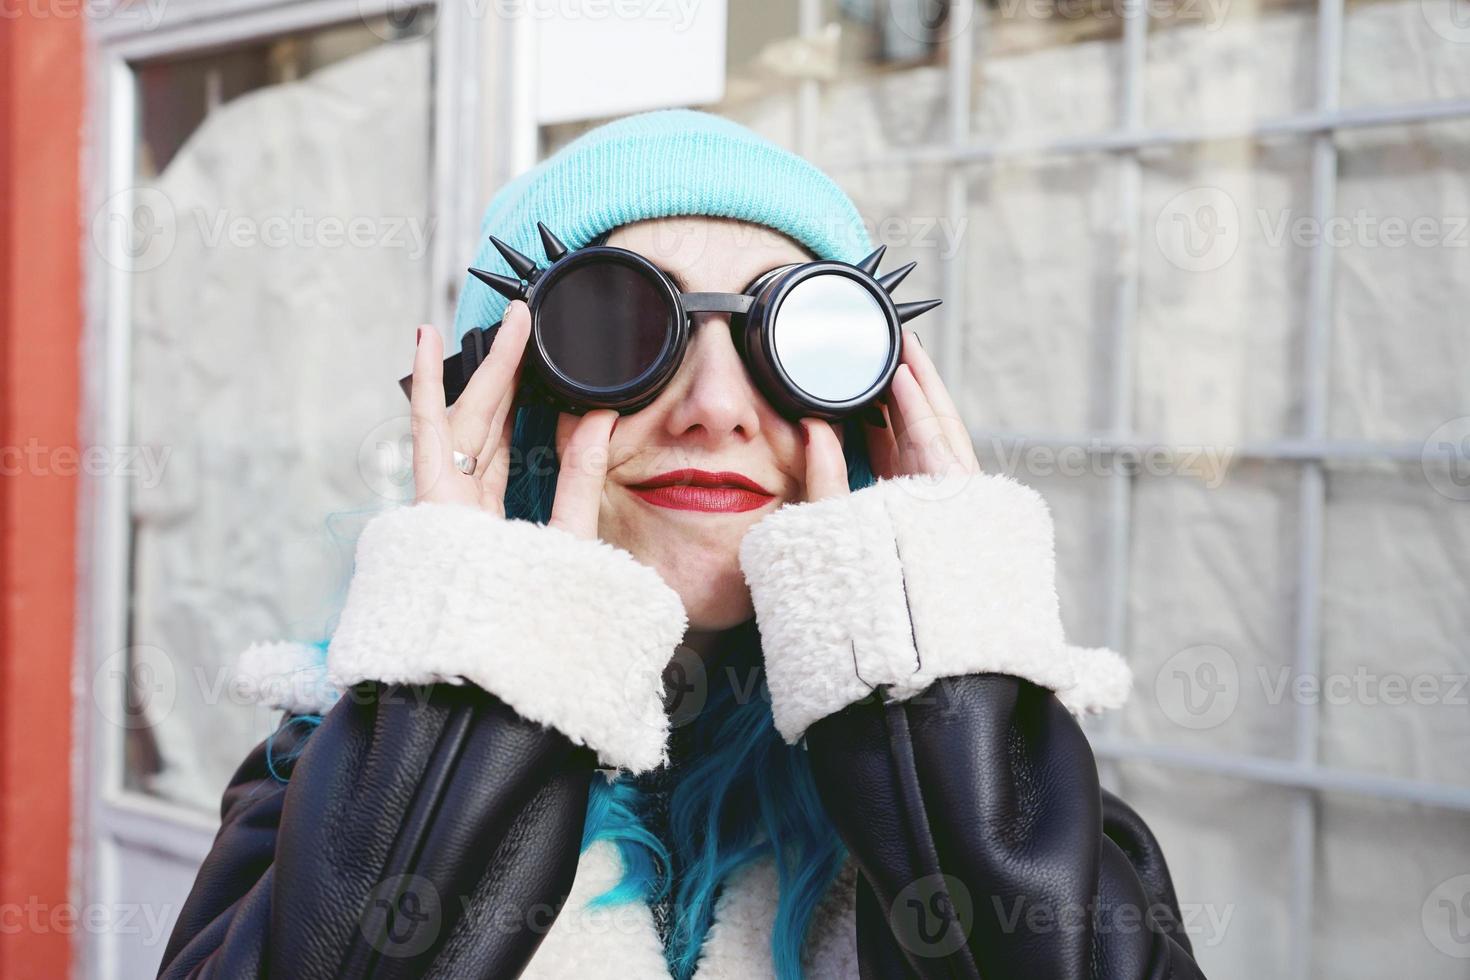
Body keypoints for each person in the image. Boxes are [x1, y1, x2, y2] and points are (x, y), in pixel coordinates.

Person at [157, 109, 1205, 979]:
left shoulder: (995, 772)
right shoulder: (329, 778)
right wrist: (471, 698)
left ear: (864, 407)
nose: (716, 406)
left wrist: (941, 700)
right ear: (501, 402)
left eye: (785, 339)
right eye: (618, 330)